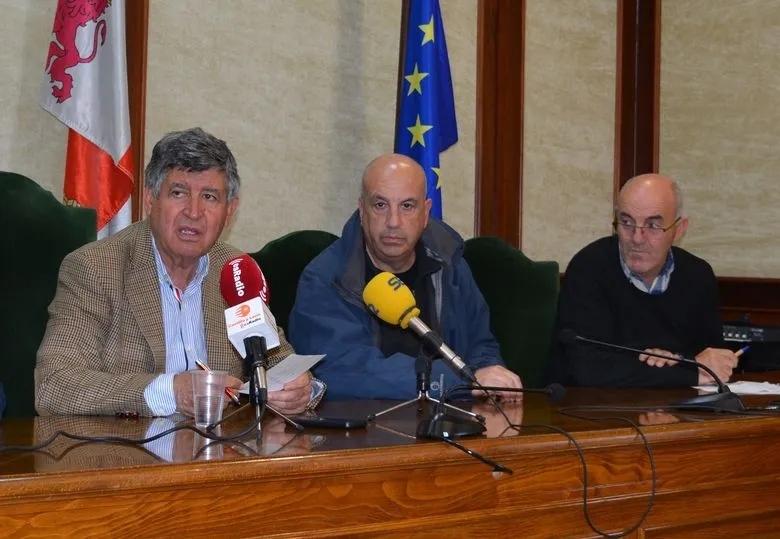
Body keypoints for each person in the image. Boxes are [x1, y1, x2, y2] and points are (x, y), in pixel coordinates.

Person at [35, 127, 317, 417]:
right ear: (150, 200)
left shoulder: (236, 271)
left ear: (229, 211)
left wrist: (301, 389)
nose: (193, 212)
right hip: (129, 442)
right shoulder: (96, 268)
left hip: (220, 443)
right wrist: (171, 392)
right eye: (179, 193)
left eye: (209, 197)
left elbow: (280, 363)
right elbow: (55, 386)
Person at [289, 154, 523, 401]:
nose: (393, 221)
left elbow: (481, 345)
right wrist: (458, 381)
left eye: (407, 206)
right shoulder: (326, 278)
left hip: (451, 415)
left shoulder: (450, 266)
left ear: (426, 213)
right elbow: (341, 371)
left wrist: (490, 374)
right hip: (364, 420)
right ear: (362, 211)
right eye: (380, 205)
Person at [550, 173, 738, 387]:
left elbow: (713, 362)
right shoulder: (590, 267)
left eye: (653, 226)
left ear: (679, 229)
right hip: (597, 405)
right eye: (627, 222)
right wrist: (684, 370)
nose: (637, 238)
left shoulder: (698, 275)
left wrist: (676, 362)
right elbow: (587, 367)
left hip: (681, 403)